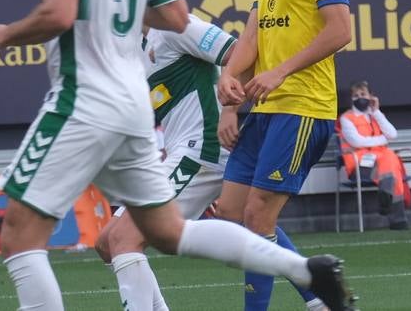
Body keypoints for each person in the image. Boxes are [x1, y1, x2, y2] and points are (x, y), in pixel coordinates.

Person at [0, 0, 353, 311]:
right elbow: (176, 15)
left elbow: (60, 13)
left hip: (85, 100)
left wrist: (2, 35)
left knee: (20, 236)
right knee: (156, 234)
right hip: (134, 111)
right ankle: (307, 273)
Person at [94, 18, 329, 311]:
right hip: (182, 153)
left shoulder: (177, 26)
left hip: (203, 150)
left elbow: (240, 57)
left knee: (124, 237)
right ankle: (318, 297)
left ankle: (318, 295)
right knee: (106, 243)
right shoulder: (134, 47)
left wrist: (229, 111)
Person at [216, 0, 354, 311]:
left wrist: (280, 72)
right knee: (234, 216)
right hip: (265, 109)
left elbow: (341, 30)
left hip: (302, 108)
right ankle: (320, 295)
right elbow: (251, 39)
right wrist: (228, 80)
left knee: (258, 219)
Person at [338, 80, 411, 230]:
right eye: (356, 95)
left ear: (371, 96)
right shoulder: (346, 118)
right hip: (360, 166)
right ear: (351, 98)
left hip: (381, 165)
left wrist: (376, 111)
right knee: (390, 165)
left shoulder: (375, 115)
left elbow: (392, 134)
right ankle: (398, 220)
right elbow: (356, 142)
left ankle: (387, 201)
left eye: (363, 94)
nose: (360, 98)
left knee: (390, 166)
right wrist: (382, 139)